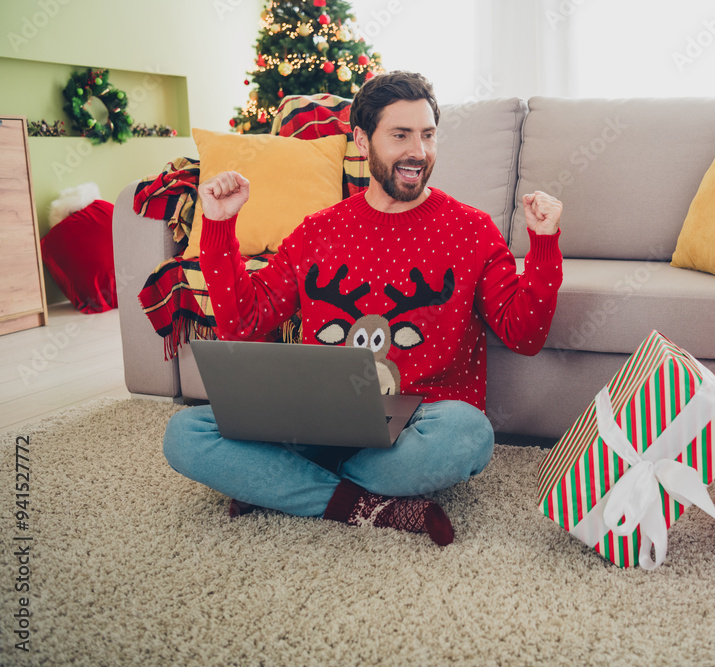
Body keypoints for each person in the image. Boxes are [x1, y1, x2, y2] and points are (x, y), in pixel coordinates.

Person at [162, 71, 564, 546]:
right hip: (318, 417)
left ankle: (279, 482)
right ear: (361, 138)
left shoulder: (472, 230)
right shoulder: (317, 230)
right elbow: (245, 322)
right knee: (185, 434)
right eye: (400, 135)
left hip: (420, 422)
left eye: (428, 134)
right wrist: (219, 229)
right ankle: (366, 505)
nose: (419, 150)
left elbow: (525, 335)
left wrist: (542, 245)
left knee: (469, 435)